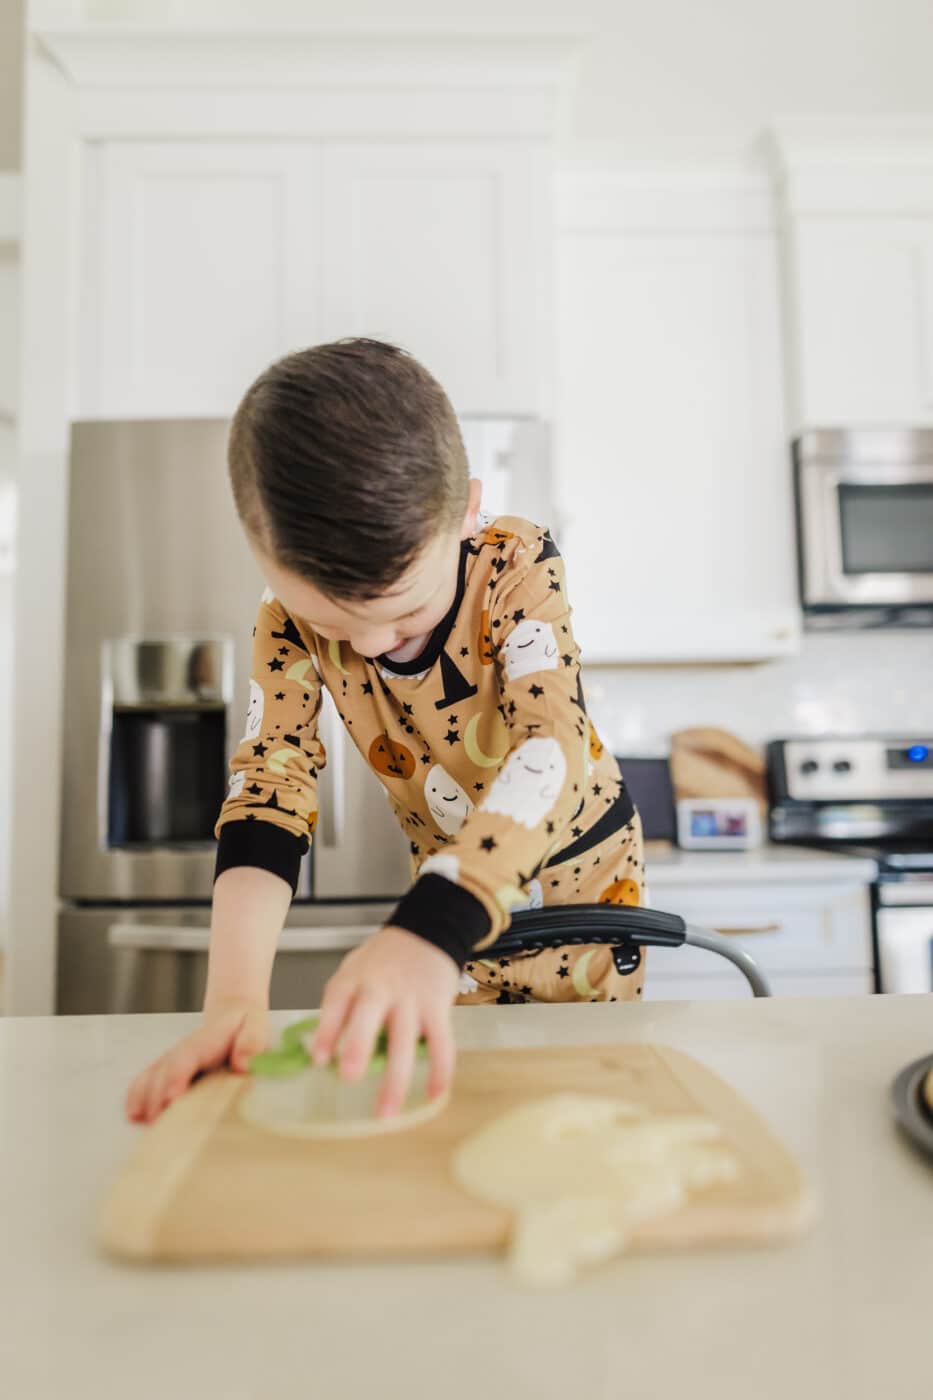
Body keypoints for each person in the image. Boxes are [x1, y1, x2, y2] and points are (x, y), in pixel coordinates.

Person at [126, 340, 645, 1126]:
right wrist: (232, 1000)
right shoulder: (282, 625)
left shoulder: (514, 563)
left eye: (405, 610)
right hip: (442, 905)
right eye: (331, 621)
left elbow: (552, 747)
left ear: (466, 512)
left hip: (582, 902)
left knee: (576, 1114)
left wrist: (427, 931)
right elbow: (270, 787)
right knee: (461, 1113)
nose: (368, 647)